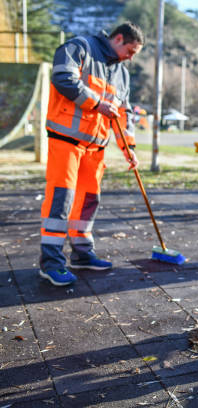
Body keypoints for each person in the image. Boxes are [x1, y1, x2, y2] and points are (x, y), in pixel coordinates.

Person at [39, 22, 144, 286]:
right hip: (67, 142)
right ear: (118, 38)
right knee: (60, 202)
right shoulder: (79, 47)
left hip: (95, 149)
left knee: (87, 203)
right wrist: (97, 103)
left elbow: (123, 114)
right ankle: (51, 263)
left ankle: (82, 255)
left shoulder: (122, 74)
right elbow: (64, 78)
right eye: (131, 50)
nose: (132, 58)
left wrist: (128, 148)